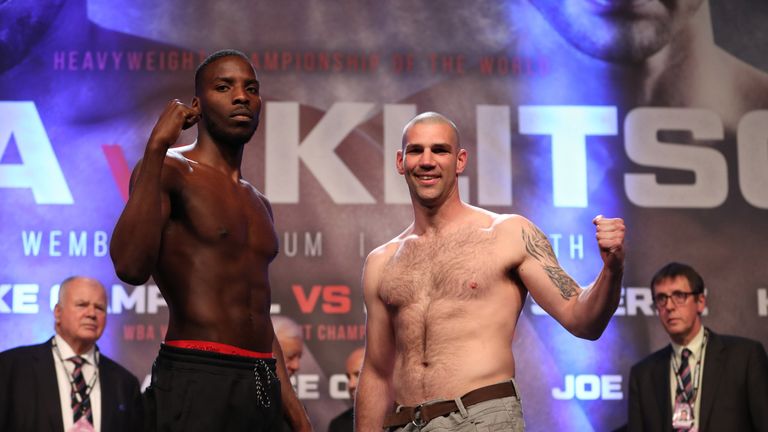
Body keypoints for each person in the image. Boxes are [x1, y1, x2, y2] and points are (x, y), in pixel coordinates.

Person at [355, 112, 626, 431]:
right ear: (401, 161)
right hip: (405, 424)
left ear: (460, 161)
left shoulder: (508, 234)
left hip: (481, 417)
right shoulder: (382, 261)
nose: (427, 161)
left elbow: (582, 319)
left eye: (440, 150)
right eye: (416, 151)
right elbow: (377, 371)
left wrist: (613, 267)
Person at [109, 49, 311, 431]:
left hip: (260, 380)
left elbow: (260, 321)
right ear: (197, 106)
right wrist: (155, 148)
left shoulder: (259, 203)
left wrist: (299, 419)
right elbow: (130, 267)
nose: (241, 96)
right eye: (224, 87)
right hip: (196, 372)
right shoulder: (170, 170)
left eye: (251, 88)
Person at [627, 262, 768, 432]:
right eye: (661, 298)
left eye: (679, 296)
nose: (669, 307)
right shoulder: (643, 375)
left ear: (700, 302)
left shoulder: (745, 357)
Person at [0, 276, 142, 432]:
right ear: (58, 312)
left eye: (99, 308)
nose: (91, 314)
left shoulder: (124, 383)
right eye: (82, 305)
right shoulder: (11, 368)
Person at [328, 346, 364, 432]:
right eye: (348, 377)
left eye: (357, 375)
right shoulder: (338, 426)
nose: (350, 384)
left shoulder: (398, 419)